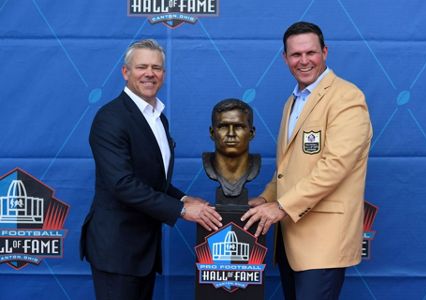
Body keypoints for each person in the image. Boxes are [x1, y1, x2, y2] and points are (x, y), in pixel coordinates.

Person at [80, 39, 222, 300]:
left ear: (163, 75)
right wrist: (181, 210)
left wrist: (183, 197)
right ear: (126, 72)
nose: (149, 73)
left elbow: (152, 178)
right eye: (141, 67)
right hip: (117, 249)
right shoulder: (110, 118)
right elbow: (122, 183)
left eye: (156, 68)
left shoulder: (158, 118)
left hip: (143, 248)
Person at [241, 21, 372, 299]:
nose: (304, 61)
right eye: (295, 55)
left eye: (310, 53)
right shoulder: (292, 102)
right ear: (285, 58)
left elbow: (335, 167)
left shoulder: (347, 97)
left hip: (323, 242)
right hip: (291, 240)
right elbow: (288, 169)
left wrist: (281, 206)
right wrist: (265, 199)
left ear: (325, 52)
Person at [202, 99, 260, 202]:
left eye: (239, 126)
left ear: (251, 133)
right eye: (223, 126)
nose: (231, 134)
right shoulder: (209, 165)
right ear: (212, 132)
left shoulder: (255, 165)